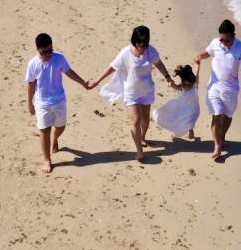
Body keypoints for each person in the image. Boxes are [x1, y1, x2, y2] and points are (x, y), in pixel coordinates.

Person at [89, 25, 175, 162]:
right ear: (134, 41)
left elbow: (159, 64)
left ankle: (143, 137)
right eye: (139, 45)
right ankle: (139, 151)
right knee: (136, 120)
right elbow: (113, 67)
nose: (141, 49)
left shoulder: (151, 51)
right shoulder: (125, 52)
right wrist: (97, 81)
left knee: (145, 118)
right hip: (131, 91)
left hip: (147, 90)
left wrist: (168, 78)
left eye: (144, 45)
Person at [25, 32, 90, 173]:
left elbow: (69, 72)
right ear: (38, 49)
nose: (48, 54)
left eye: (50, 50)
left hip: (59, 100)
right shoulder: (33, 64)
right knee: (44, 131)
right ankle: (47, 160)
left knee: (61, 126)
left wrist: (83, 82)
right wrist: (30, 104)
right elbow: (30, 85)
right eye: (44, 51)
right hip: (42, 103)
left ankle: (55, 138)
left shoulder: (59, 59)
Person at [194, 19, 241, 161]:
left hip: (231, 90)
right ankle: (217, 146)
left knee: (227, 116)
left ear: (233, 35)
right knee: (216, 115)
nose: (223, 43)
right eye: (222, 39)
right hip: (214, 87)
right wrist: (200, 56)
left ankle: (221, 136)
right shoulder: (215, 43)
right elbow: (208, 52)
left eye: (227, 40)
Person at [152, 64, 200, 140]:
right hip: (182, 108)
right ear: (182, 82)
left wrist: (198, 64)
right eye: (185, 84)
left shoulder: (195, 85)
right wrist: (171, 85)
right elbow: (175, 87)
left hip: (193, 108)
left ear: (193, 82)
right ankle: (181, 128)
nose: (187, 86)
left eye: (189, 85)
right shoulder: (181, 87)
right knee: (180, 120)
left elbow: (197, 74)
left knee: (191, 121)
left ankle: (191, 130)